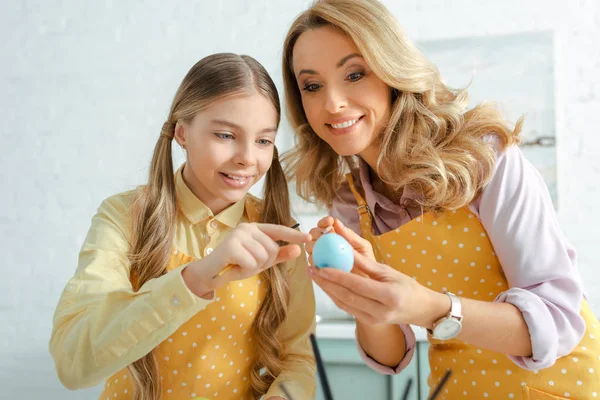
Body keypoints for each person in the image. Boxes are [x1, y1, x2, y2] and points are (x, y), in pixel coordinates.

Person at [281, 0, 600, 398]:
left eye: (355, 74)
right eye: (312, 85)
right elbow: (392, 355)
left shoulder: (482, 159)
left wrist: (428, 307)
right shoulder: (351, 201)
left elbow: (560, 320)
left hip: (559, 387)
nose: (332, 103)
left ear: (391, 70)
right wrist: (363, 302)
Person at [50, 53, 316, 400]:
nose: (248, 158)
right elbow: (73, 364)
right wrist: (195, 280)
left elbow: (298, 360)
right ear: (182, 132)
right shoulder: (123, 216)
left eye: (264, 140)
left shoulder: (277, 233)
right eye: (225, 134)